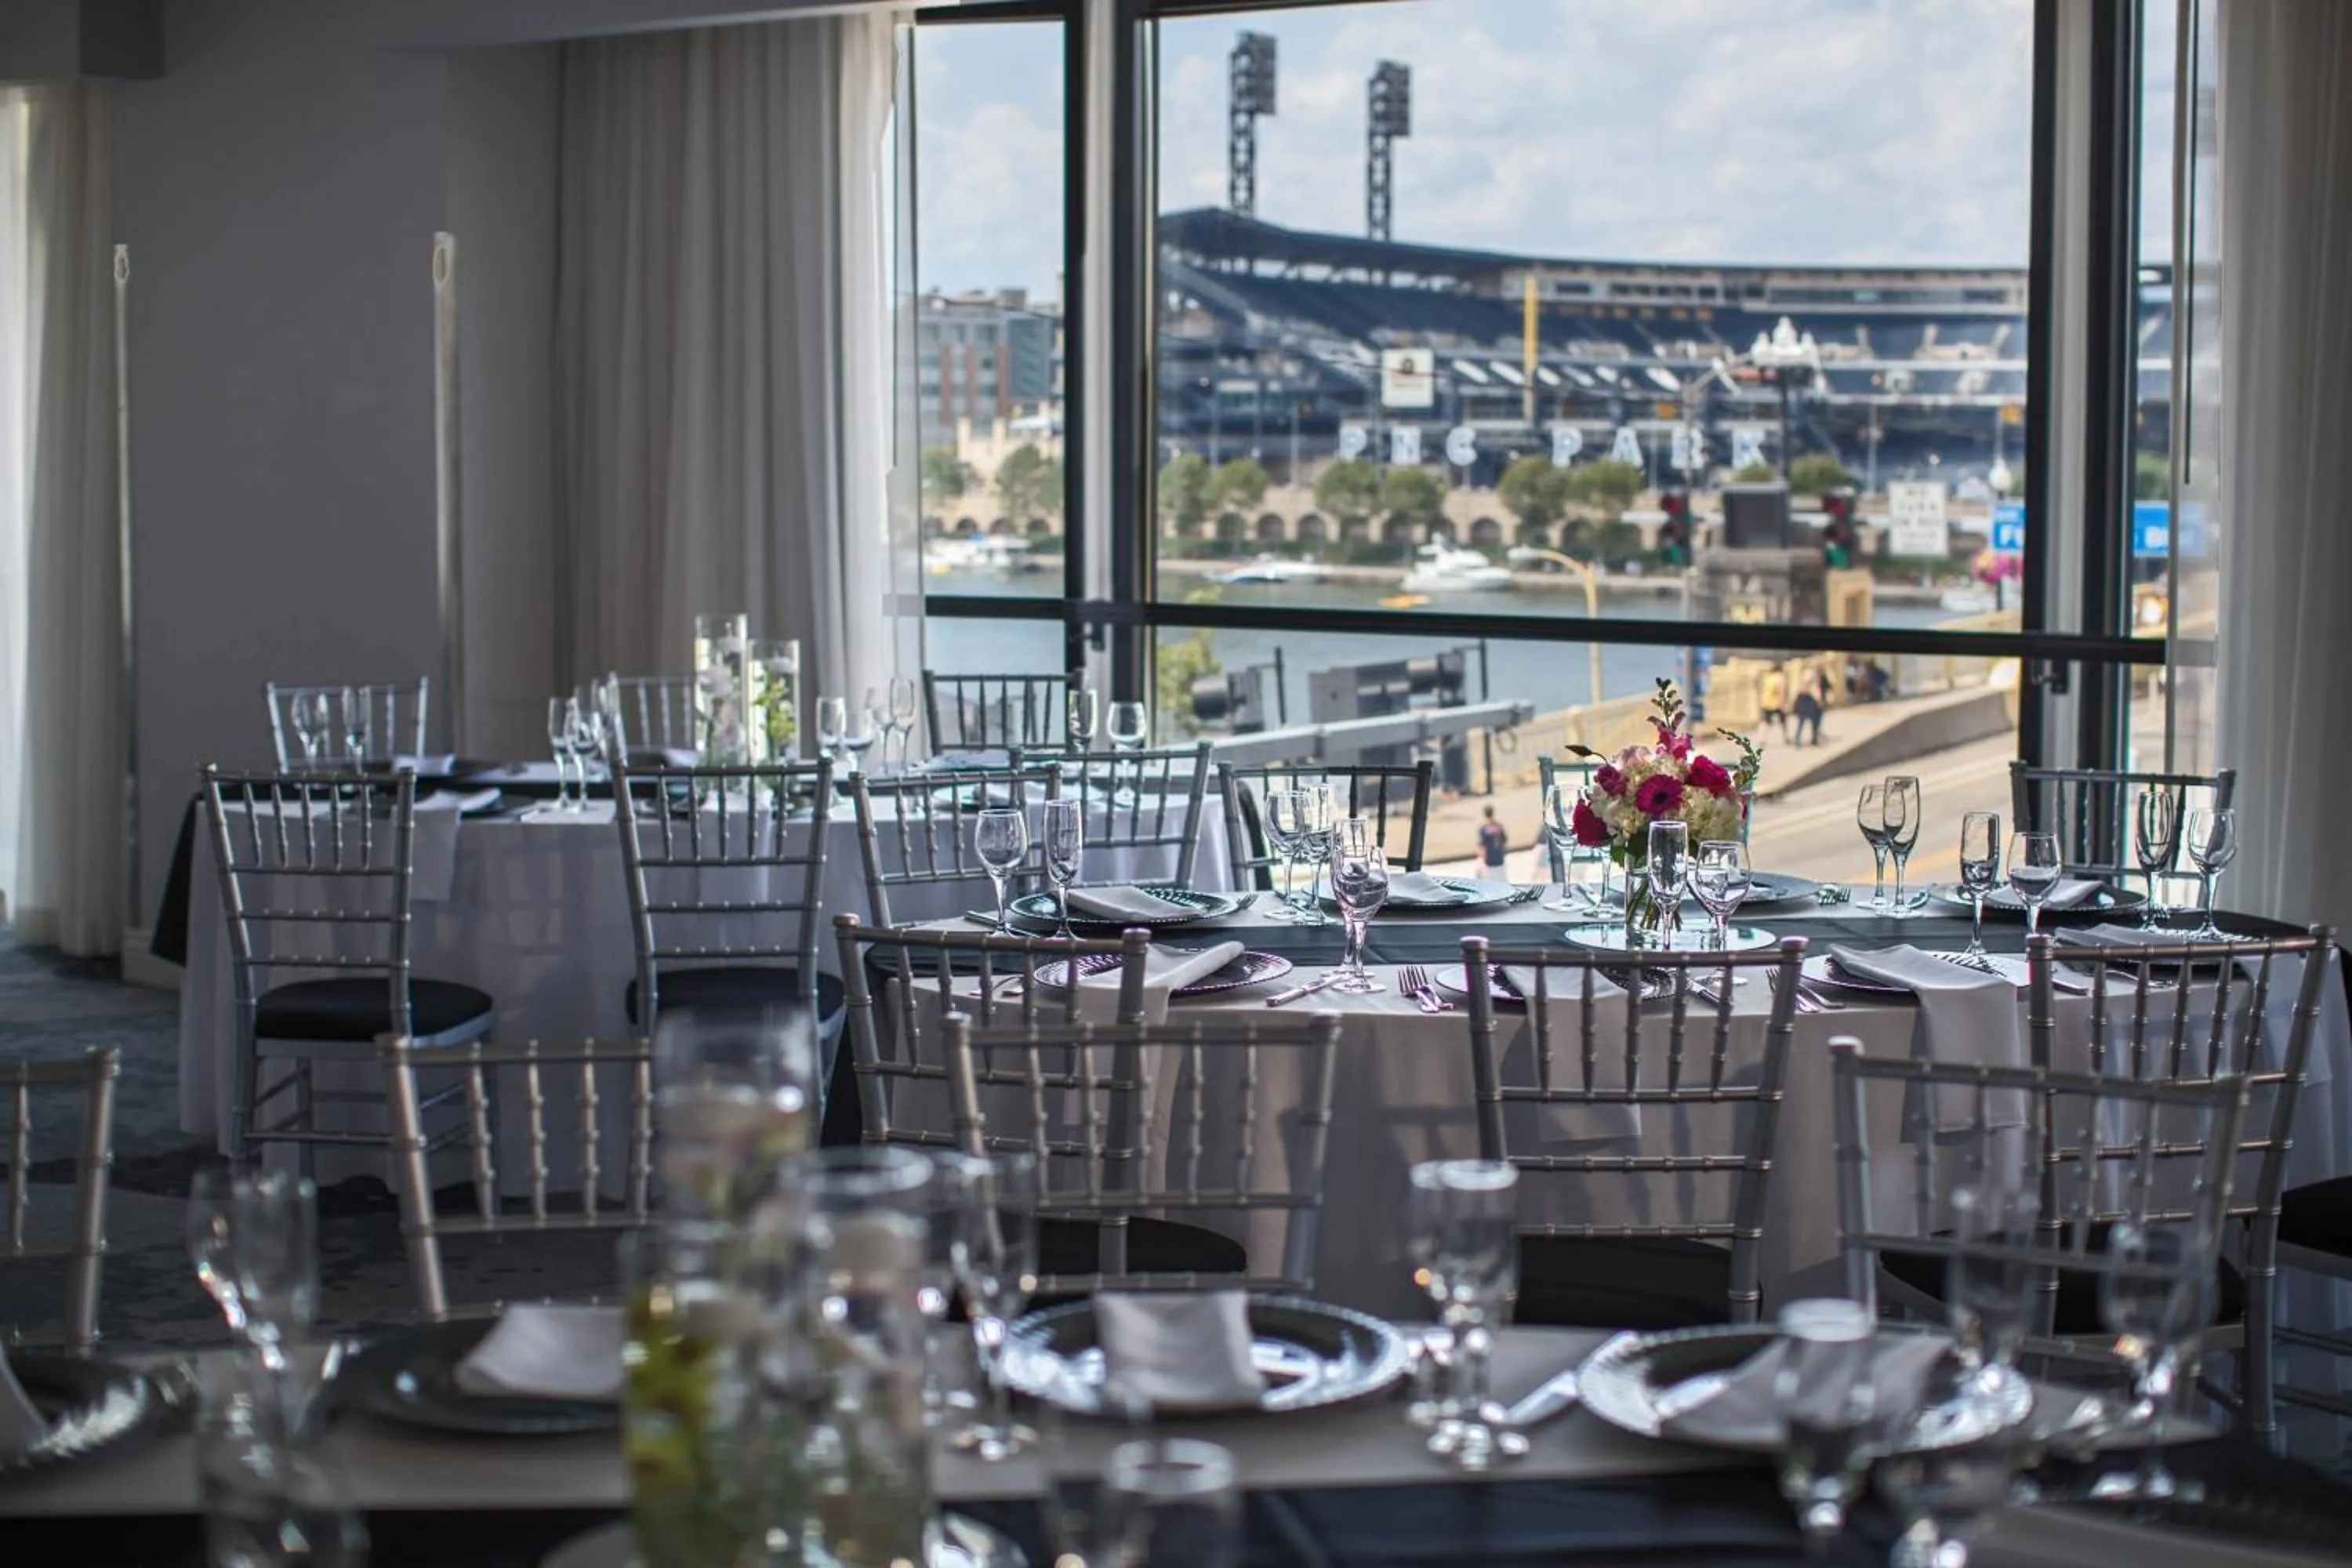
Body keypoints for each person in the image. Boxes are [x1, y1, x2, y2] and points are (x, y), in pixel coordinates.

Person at [1792, 670, 1825, 748]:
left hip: (1802, 706)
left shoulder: (1801, 686)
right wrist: (1820, 703)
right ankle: (1814, 739)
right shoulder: (1813, 685)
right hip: (1811, 706)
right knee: (1815, 723)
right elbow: (1817, 695)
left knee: (1801, 723)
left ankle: (1797, 739)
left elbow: (1796, 696)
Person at [1757, 664, 1788, 738]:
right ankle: (1785, 737)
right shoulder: (1780, 678)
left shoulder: (1768, 677)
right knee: (1783, 721)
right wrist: (1783, 704)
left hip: (1766, 702)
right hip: (1776, 703)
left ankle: (1762, 738)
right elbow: (1780, 692)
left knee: (1766, 721)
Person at [1476, 804, 1509, 873]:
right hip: (1500, 861)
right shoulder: (1499, 827)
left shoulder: (1484, 829)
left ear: (1484, 815)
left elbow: (1482, 847)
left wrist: (1482, 861)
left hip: (1489, 863)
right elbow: (1504, 841)